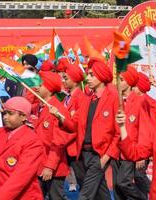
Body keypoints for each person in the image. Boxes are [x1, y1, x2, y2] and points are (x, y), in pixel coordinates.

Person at [51, 58, 120, 200]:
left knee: (85, 195)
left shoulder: (113, 98)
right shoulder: (87, 99)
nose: (87, 78)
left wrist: (106, 157)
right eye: (88, 74)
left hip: (99, 155)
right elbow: (74, 125)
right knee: (101, 195)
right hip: (83, 153)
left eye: (91, 75)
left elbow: (118, 133)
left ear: (101, 77)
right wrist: (60, 117)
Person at [112, 67, 151, 200]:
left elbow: (144, 130)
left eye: (121, 80)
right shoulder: (115, 101)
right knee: (117, 188)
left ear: (129, 82)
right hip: (115, 150)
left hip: (131, 150)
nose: (118, 83)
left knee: (123, 182)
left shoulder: (140, 102)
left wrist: (142, 154)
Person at [33, 71, 71, 200]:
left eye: (40, 84)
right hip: (38, 164)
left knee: (56, 197)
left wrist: (49, 166)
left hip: (53, 167)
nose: (36, 87)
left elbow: (59, 142)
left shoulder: (58, 109)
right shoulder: (39, 107)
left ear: (49, 88)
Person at [62, 63, 86, 190]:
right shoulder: (66, 98)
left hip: (76, 145)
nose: (63, 81)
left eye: (66, 78)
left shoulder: (81, 98)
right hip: (65, 143)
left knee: (83, 179)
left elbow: (76, 123)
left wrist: (62, 117)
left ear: (75, 80)